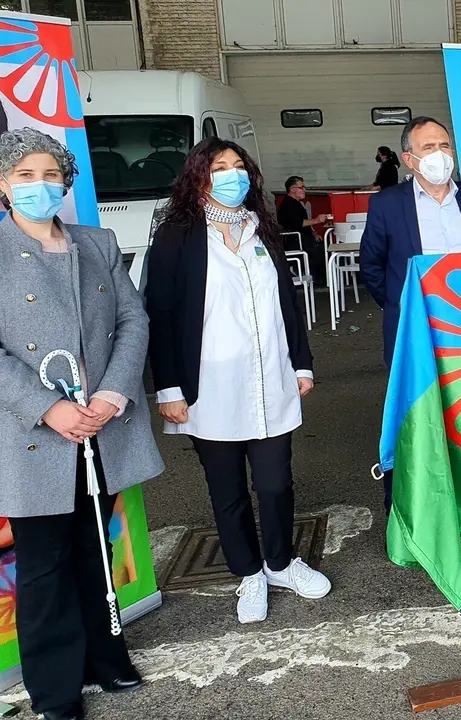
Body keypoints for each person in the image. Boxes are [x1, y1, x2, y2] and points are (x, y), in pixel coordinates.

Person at [0, 127, 163, 720]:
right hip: (32, 434)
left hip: (101, 424)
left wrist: (115, 393)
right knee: (43, 562)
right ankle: (55, 688)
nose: (38, 186)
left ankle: (105, 656)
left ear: (65, 182)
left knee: (96, 546)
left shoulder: (95, 241)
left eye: (49, 175)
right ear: (2, 184)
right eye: (24, 176)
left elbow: (132, 320)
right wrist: (50, 407)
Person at [146, 137, 329, 625]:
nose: (232, 175)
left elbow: (287, 302)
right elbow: (159, 314)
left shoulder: (261, 227)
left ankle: (281, 563)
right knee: (226, 489)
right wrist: (169, 388)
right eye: (219, 167)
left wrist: (301, 362)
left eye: (239, 166)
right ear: (199, 176)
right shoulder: (176, 235)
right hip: (209, 386)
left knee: (274, 484)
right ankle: (248, 573)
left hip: (271, 377)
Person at [361, 116, 461, 512]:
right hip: (412, 332)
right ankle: (409, 509)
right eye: (429, 148)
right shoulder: (386, 204)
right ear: (409, 160)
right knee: (413, 420)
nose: (440, 155)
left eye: (445, 146)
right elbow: (372, 267)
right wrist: (401, 308)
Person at [277, 175, 330, 287]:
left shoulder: (295, 203)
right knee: (322, 250)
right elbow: (297, 223)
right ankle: (303, 272)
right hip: (296, 240)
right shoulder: (288, 205)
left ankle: (318, 277)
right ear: (292, 189)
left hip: (303, 237)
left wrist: (313, 233)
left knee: (325, 246)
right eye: (302, 187)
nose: (304, 190)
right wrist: (316, 220)